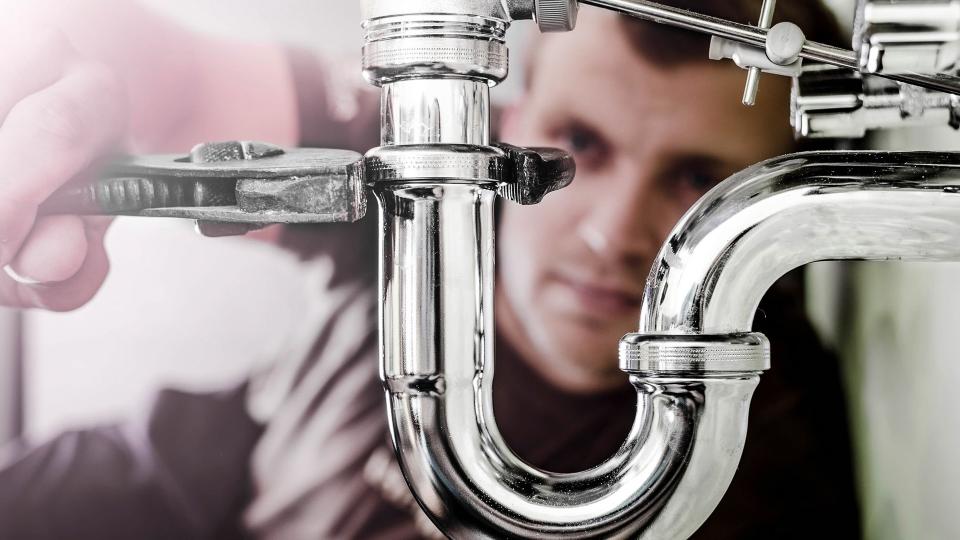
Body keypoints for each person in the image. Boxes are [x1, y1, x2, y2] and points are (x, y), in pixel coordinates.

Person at [0, 0, 861, 538]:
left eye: (696, 180)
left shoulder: (760, 455)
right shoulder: (435, 162)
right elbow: (152, 69)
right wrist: (47, 77)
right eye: (581, 144)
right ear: (513, 117)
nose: (612, 234)